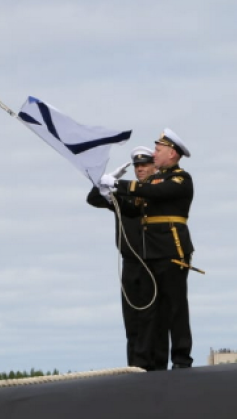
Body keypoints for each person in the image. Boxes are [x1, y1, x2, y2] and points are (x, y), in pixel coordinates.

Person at [101, 128, 195, 369]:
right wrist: (108, 194)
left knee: (175, 306)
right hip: (150, 252)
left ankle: (182, 358)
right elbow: (134, 207)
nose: (154, 155)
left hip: (172, 249)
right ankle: (151, 362)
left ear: (172, 153)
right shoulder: (154, 180)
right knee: (153, 310)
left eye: (158, 150)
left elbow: (154, 192)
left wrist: (120, 184)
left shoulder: (180, 178)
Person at [87, 146, 163, 370]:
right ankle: (135, 365)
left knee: (153, 318)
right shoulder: (124, 191)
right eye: (137, 166)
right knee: (132, 318)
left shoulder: (161, 191)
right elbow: (93, 199)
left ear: (154, 166)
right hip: (130, 262)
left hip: (152, 261)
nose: (140, 169)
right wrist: (107, 181)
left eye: (145, 165)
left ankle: (155, 365)